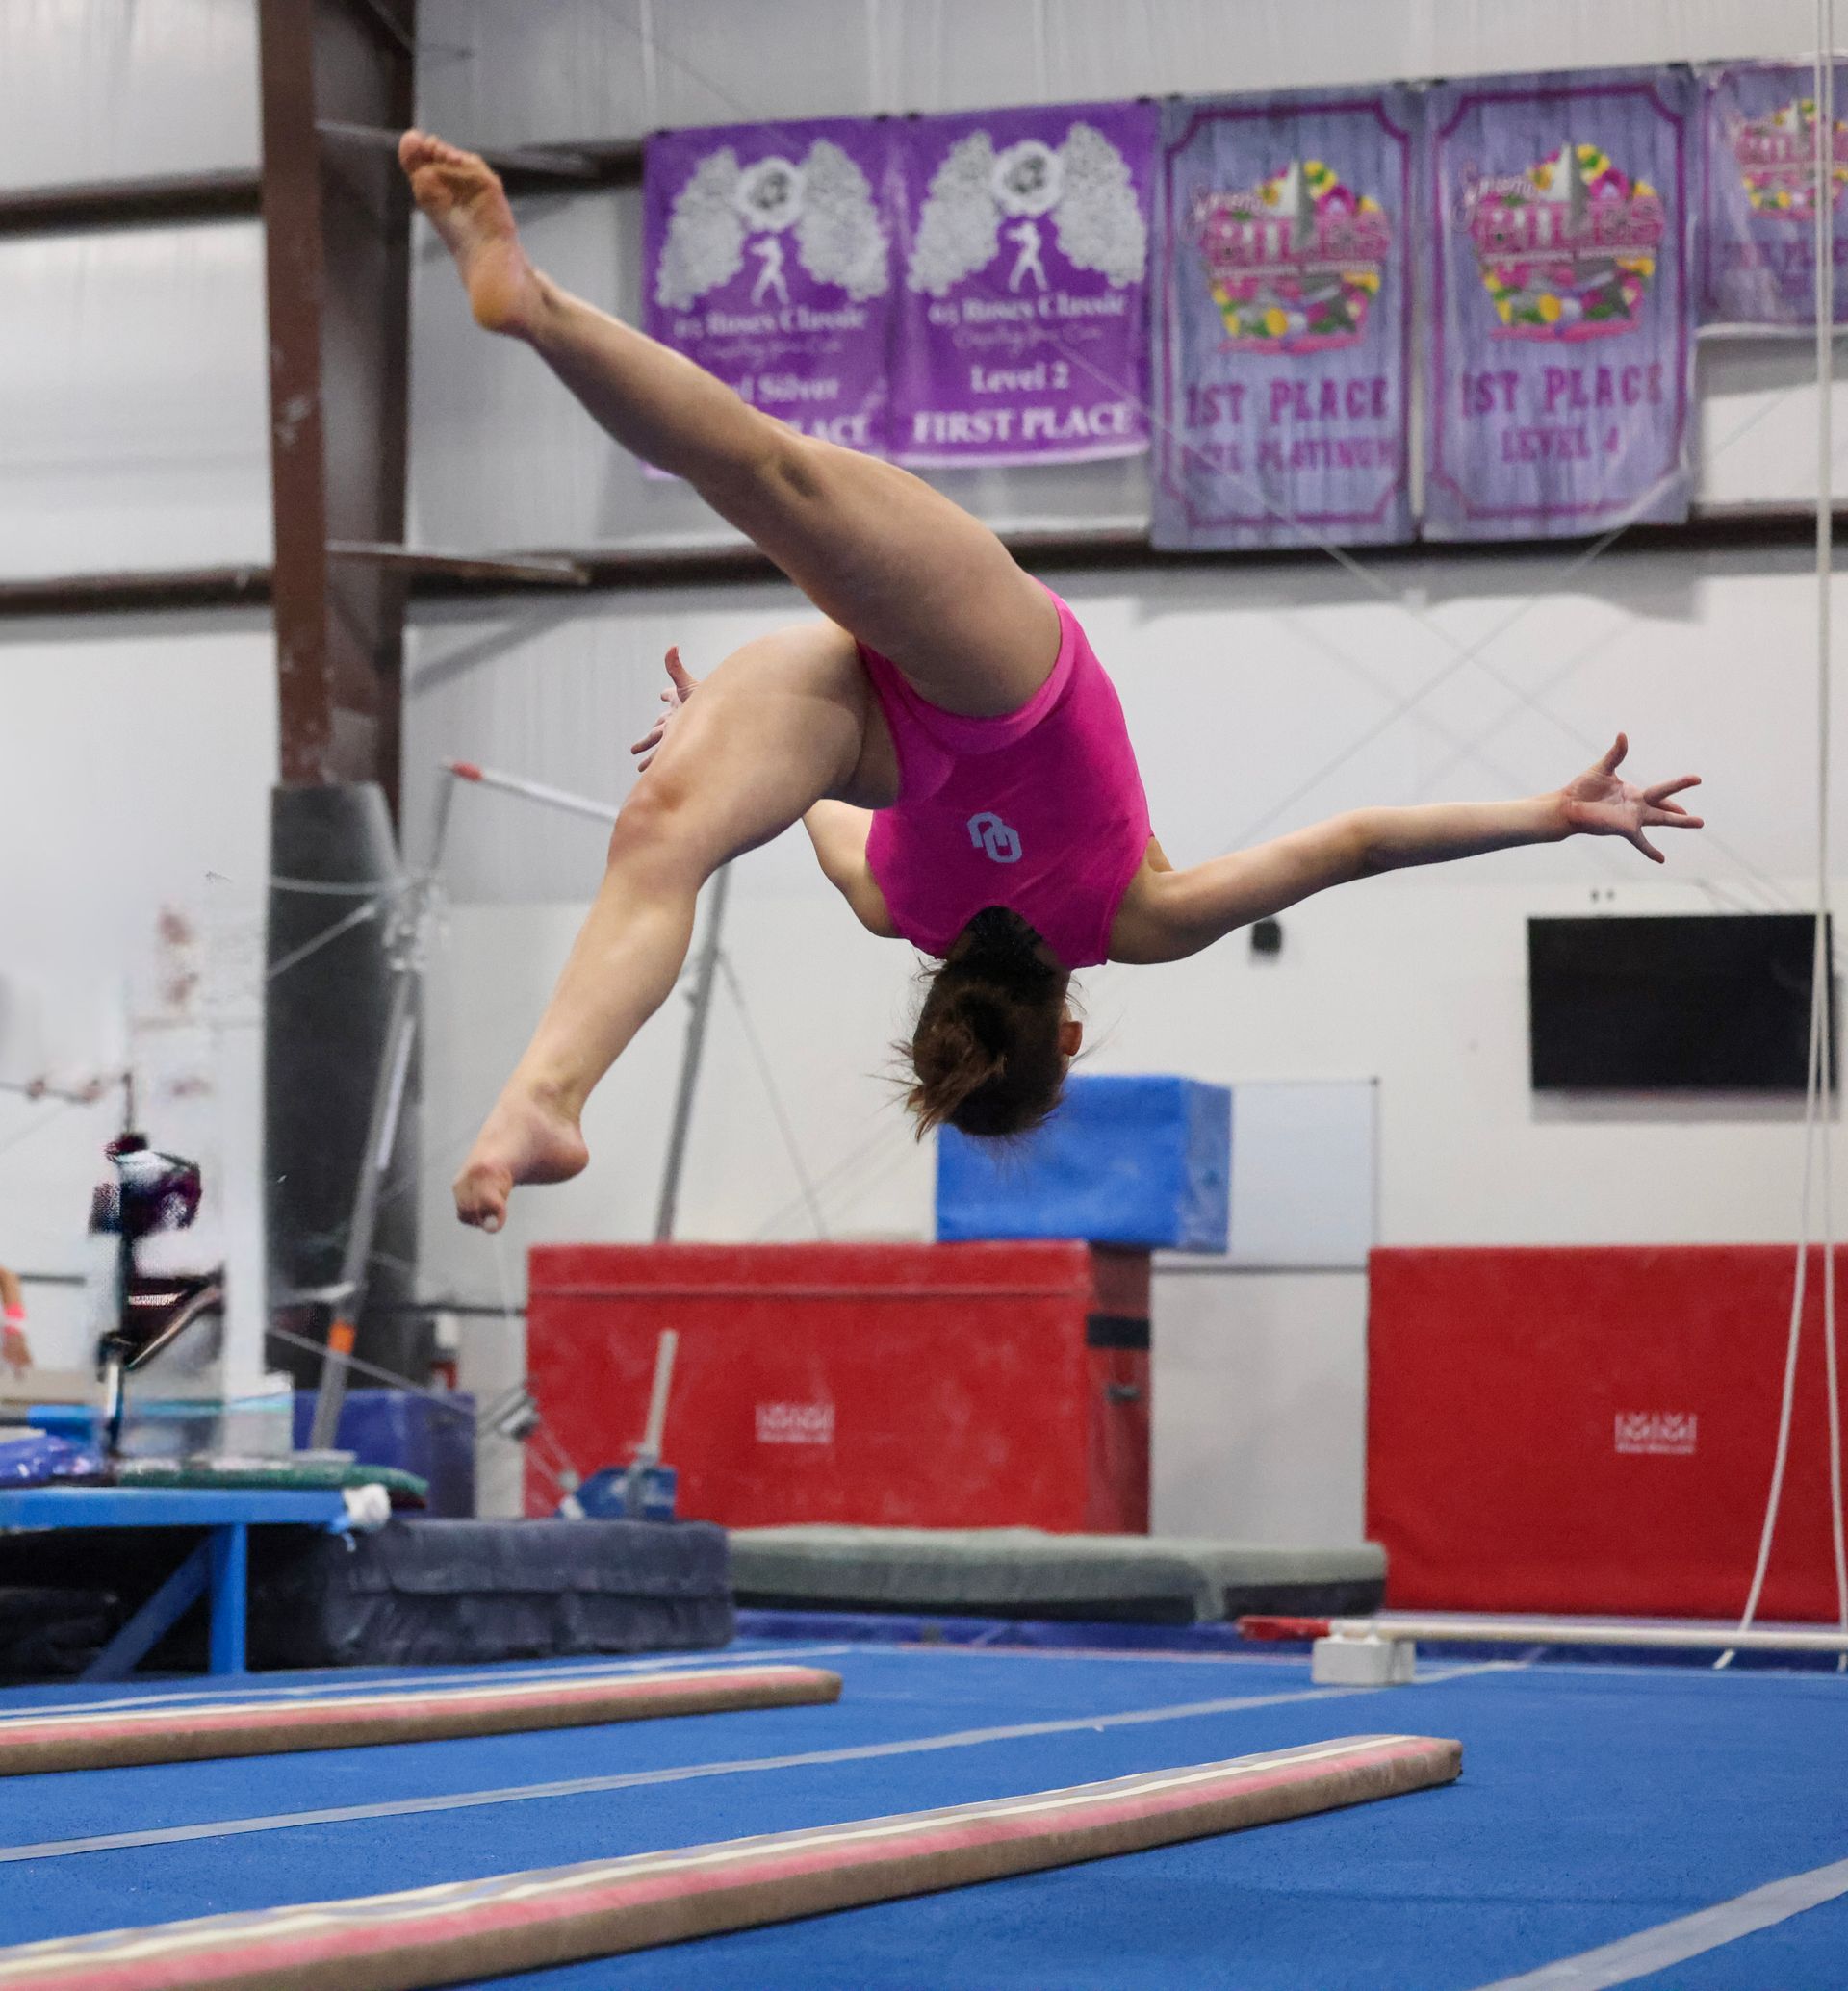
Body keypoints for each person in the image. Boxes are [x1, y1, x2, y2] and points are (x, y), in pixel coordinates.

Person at [398, 132, 1704, 1236]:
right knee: (669, 828)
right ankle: (545, 1095)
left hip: (982, 684)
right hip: (881, 726)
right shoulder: (885, 901)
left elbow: (1355, 843)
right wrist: (709, 738)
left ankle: (544, 307)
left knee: (770, 482)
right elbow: (802, 810)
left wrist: (1548, 813)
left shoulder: (1132, 919)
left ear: (1065, 1038)